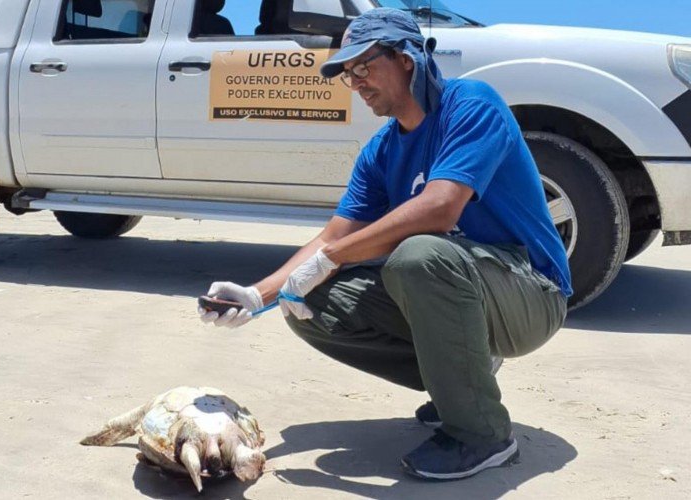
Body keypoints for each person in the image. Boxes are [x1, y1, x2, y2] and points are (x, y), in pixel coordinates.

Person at [199, 8, 571, 481]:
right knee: (313, 301)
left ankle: (483, 435)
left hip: (531, 292)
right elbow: (336, 235)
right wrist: (258, 295)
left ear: (406, 59)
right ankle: (461, 384)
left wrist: (332, 257)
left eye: (364, 68)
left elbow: (441, 207)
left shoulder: (471, 104)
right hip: (467, 286)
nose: (356, 84)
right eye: (348, 75)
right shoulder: (381, 150)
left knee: (417, 257)